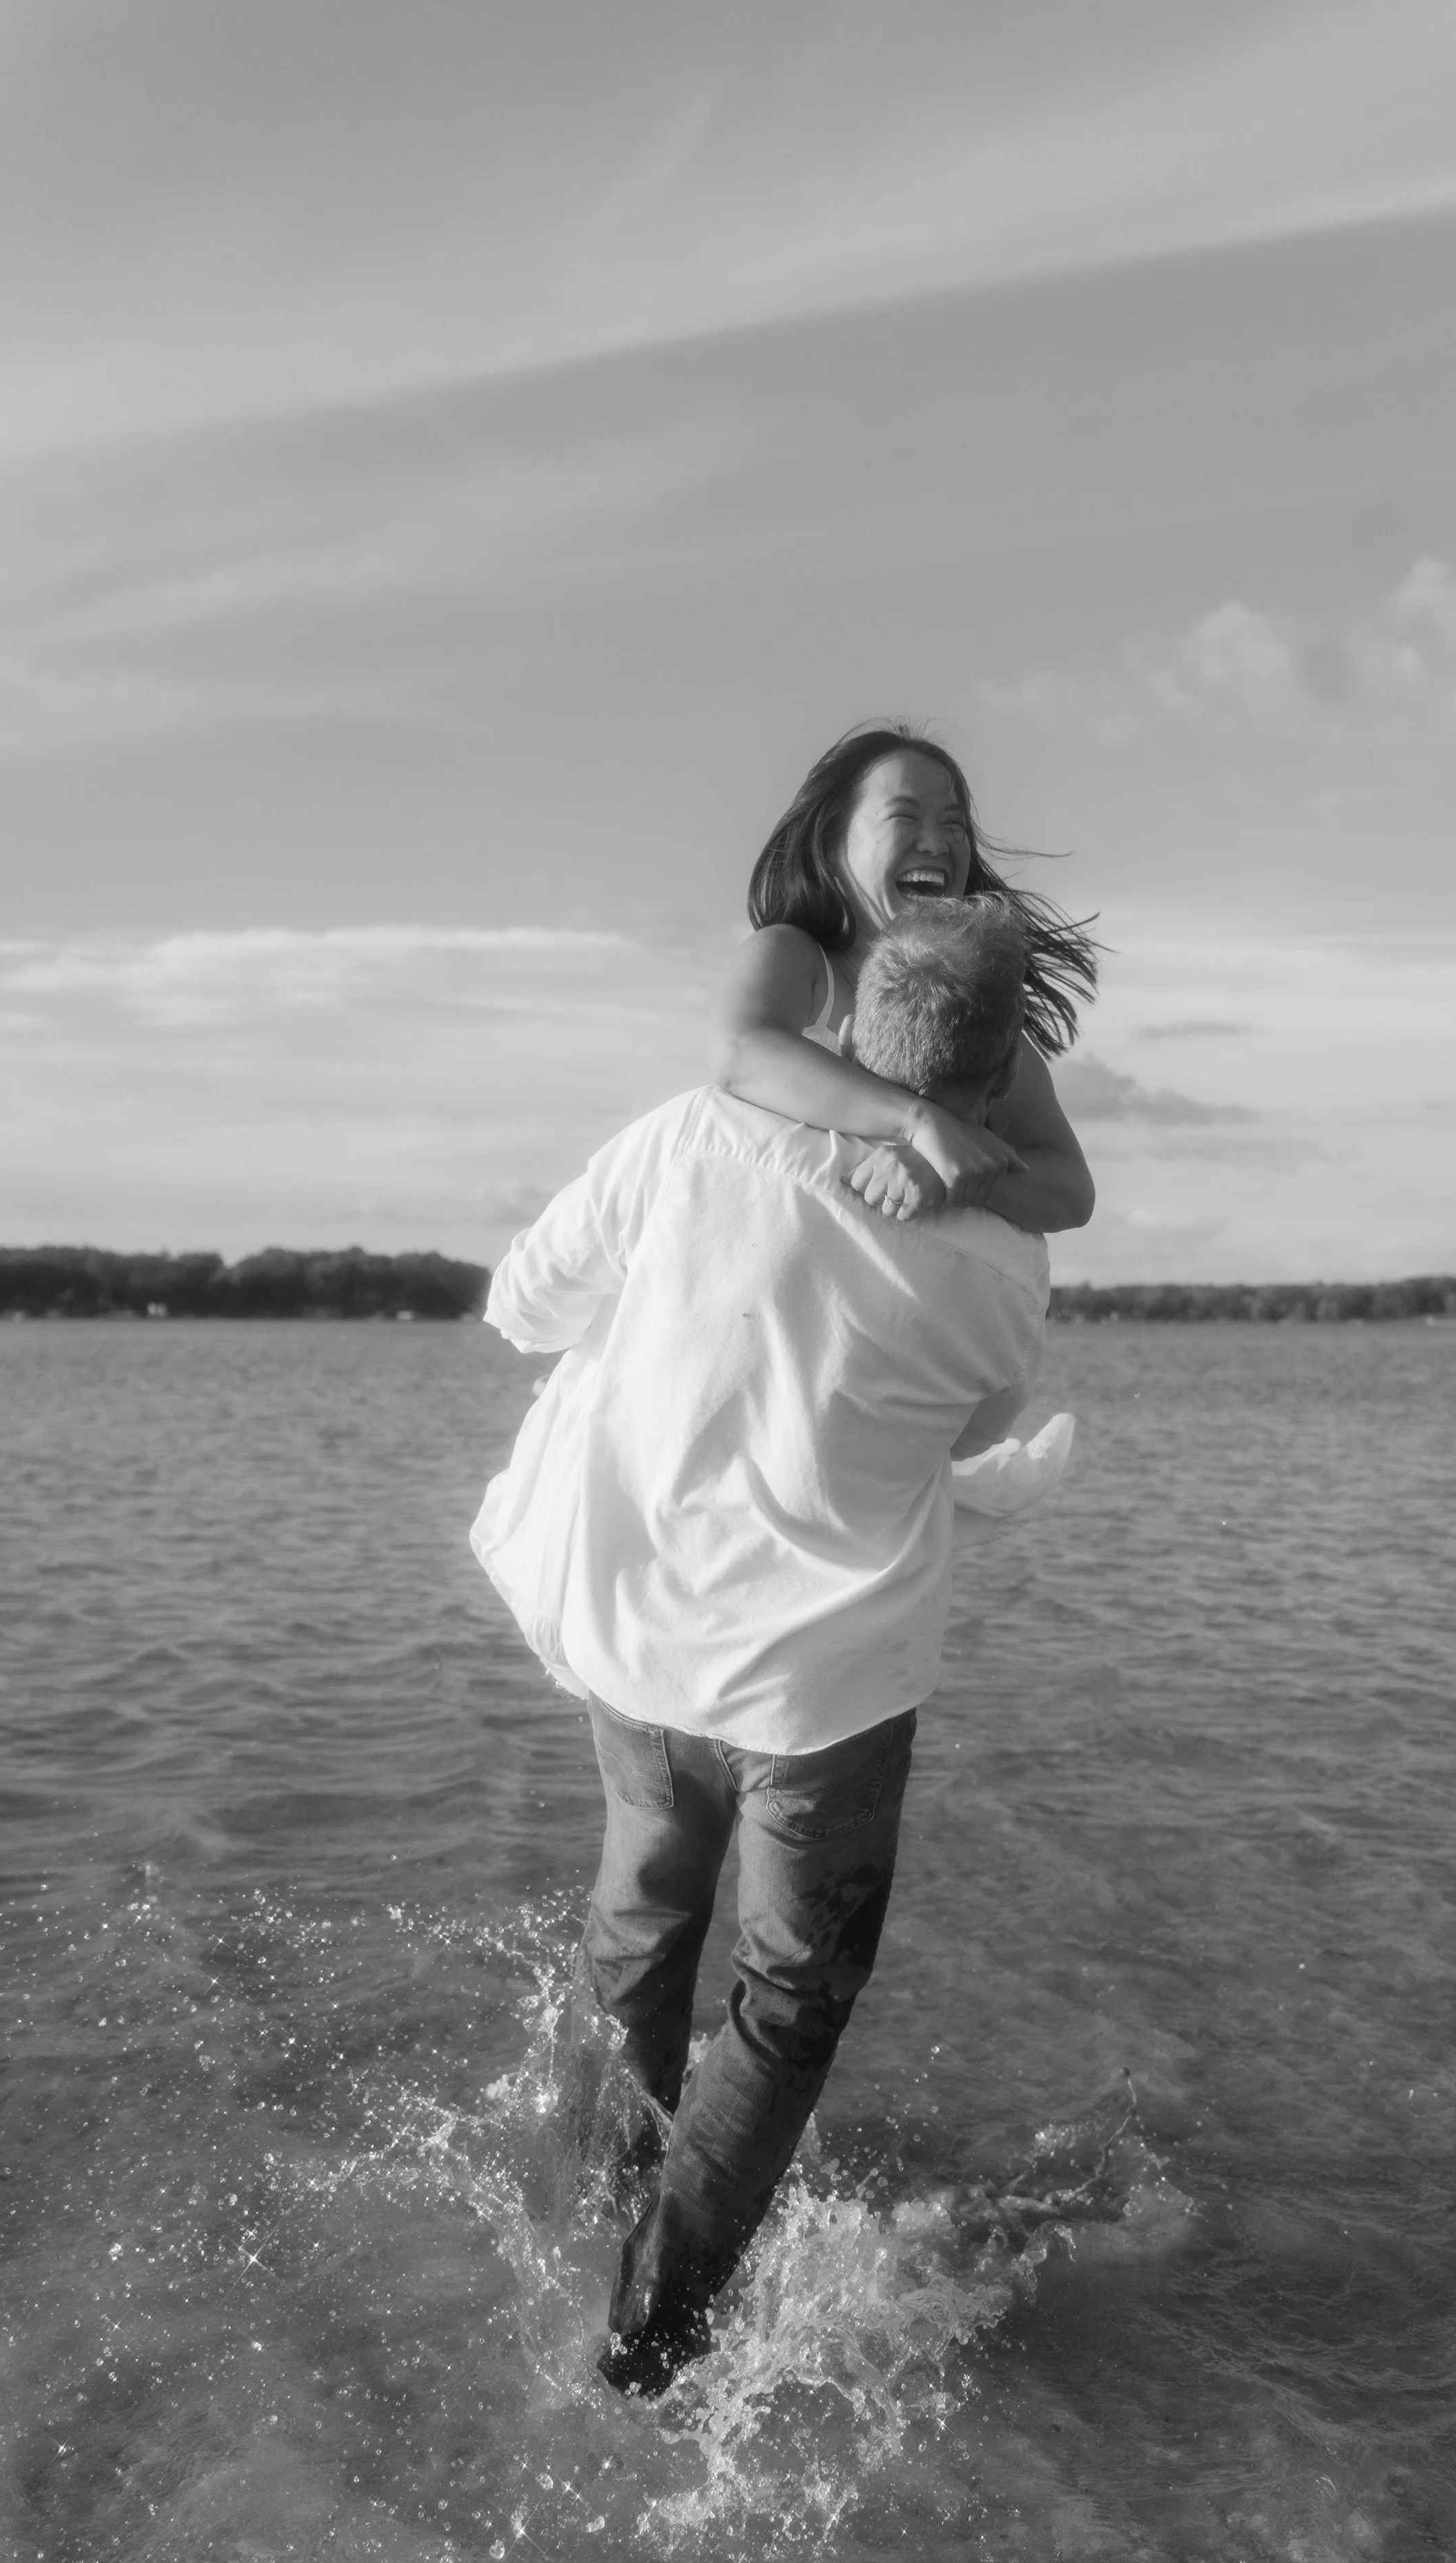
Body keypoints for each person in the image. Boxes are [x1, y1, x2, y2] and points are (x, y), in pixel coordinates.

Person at [472, 899, 1063, 2397]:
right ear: (991, 1092)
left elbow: (523, 1305)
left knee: (646, 1909)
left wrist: (674, 1323)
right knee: (787, 1997)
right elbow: (974, 1436)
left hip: (641, 1636)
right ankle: (657, 2322)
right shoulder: (1001, 1267)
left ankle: (600, 2199)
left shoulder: (689, 1138)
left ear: (849, 1040)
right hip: (824, 1689)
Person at [714, 722, 1097, 1235]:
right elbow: (741, 1052)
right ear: (833, 842)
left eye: (955, 826)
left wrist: (955, 1173)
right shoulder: (794, 958)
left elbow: (1070, 1191)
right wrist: (920, 1123)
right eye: (905, 816)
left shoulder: (982, 1015)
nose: (937, 843)